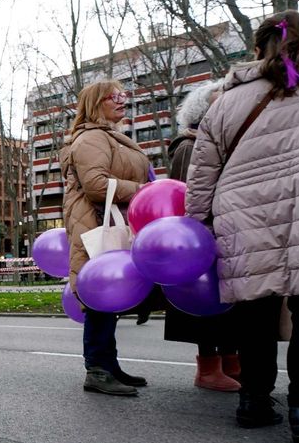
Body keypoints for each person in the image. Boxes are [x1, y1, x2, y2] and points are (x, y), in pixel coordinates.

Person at [186, 10, 299, 443]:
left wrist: (198, 225)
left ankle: (253, 399)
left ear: (257, 48)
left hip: (243, 214)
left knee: (255, 309)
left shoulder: (228, 101)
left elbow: (202, 172)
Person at [61, 78, 152, 397]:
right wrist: (143, 191)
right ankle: (97, 369)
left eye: (124, 94)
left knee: (110, 296)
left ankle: (108, 365)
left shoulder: (111, 136)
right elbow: (97, 185)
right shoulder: (91, 139)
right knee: (100, 294)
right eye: (114, 96)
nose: (122, 100)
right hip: (94, 223)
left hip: (109, 220)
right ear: (95, 103)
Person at [164, 79, 241, 392]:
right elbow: (187, 193)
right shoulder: (188, 146)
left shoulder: (218, 142)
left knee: (229, 301)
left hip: (223, 232)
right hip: (199, 238)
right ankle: (208, 368)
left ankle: (232, 361)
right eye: (216, 99)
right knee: (206, 301)